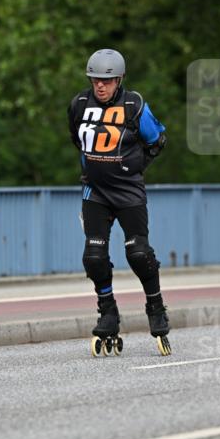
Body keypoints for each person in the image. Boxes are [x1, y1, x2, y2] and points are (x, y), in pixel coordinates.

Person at [68, 49, 170, 356]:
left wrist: (134, 167)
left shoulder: (134, 105)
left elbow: (157, 141)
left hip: (128, 193)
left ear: (120, 79)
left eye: (107, 80)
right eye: (96, 80)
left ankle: (155, 305)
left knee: (138, 254)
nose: (101, 86)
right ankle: (108, 310)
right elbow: (78, 139)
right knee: (94, 257)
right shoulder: (79, 104)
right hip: (95, 193)